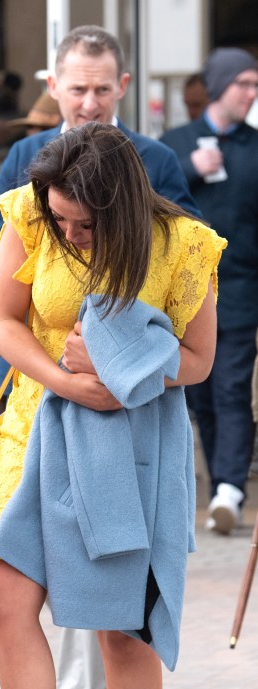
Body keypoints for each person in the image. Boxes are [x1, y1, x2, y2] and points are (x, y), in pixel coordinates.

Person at [0, 122, 223, 689]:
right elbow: (2, 319)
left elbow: (200, 360)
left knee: (122, 630)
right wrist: (67, 378)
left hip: (133, 444)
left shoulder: (186, 244)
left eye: (84, 225)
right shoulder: (29, 211)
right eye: (61, 220)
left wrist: (122, 358)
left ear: (126, 210)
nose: (67, 233)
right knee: (4, 592)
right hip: (40, 430)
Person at [0, 24, 201, 689]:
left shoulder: (157, 167)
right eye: (77, 87)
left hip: (125, 424)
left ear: (122, 89)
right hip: (39, 402)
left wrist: (129, 360)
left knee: (112, 603)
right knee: (9, 586)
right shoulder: (27, 172)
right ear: (54, 86)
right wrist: (25, 227)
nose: (89, 101)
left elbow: (190, 305)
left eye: (102, 88)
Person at [161, 48, 258, 535]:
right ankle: (222, 482)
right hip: (184, 295)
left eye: (254, 84)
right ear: (218, 86)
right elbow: (152, 199)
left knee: (232, 390)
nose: (251, 92)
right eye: (242, 82)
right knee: (199, 396)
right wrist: (192, 166)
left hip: (240, 292)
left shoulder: (255, 147)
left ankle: (228, 490)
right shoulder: (174, 145)